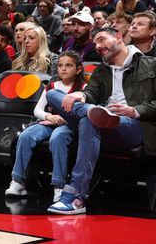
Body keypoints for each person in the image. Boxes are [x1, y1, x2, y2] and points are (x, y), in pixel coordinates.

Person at [46, 27, 156, 215]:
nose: (97, 46)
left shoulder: (151, 64)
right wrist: (81, 95)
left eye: (102, 40)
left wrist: (135, 110)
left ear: (119, 37)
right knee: (53, 95)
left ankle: (74, 196)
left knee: (89, 120)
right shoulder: (102, 69)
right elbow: (92, 92)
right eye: (95, 42)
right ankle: (90, 112)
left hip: (133, 124)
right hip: (100, 119)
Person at [5, 50, 85, 203]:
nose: (63, 69)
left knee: (58, 137)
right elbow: (37, 110)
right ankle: (18, 181)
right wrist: (49, 116)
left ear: (78, 69)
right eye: (61, 65)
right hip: (50, 121)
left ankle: (58, 185)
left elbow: (83, 112)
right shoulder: (52, 85)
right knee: (26, 135)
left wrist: (63, 118)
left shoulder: (83, 87)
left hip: (69, 125)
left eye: (68, 65)